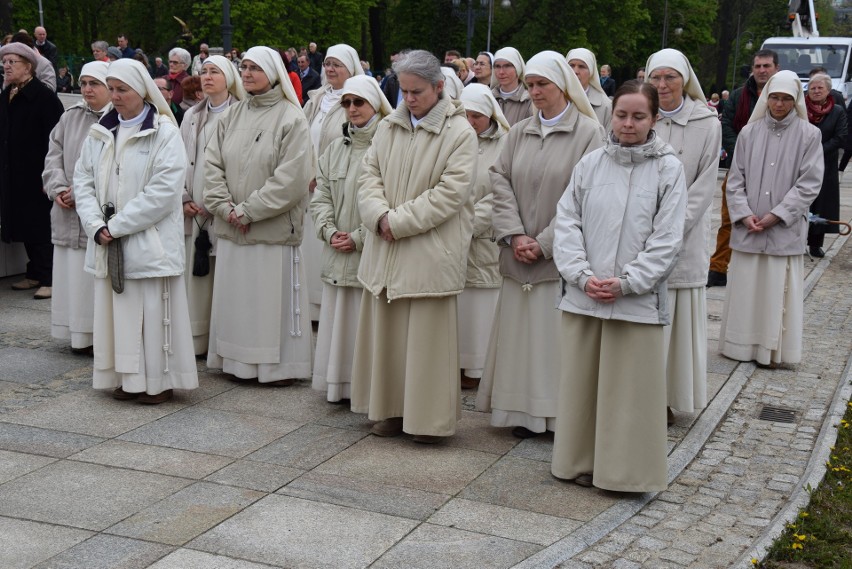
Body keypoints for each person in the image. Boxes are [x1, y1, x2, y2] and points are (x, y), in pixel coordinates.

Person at [551, 79, 687, 491]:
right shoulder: (590, 165)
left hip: (636, 303)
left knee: (629, 392)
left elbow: (667, 238)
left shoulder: (669, 168)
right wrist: (582, 275)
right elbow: (567, 222)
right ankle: (577, 462)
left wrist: (628, 283)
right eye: (622, 115)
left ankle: (623, 472)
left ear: (654, 119)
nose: (628, 124)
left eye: (639, 116)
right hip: (585, 295)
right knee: (582, 387)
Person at [475, 51, 605, 439]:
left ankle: (553, 413)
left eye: (541, 84)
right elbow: (499, 180)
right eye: (530, 85)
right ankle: (518, 409)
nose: (534, 92)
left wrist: (544, 242)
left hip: (559, 256)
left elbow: (583, 195)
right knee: (519, 336)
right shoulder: (519, 132)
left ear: (562, 85)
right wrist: (515, 234)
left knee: (552, 339)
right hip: (517, 250)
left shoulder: (588, 133)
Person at [352, 49, 477, 443]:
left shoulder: (460, 133)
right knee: (387, 335)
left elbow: (449, 195)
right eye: (403, 91)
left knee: (427, 341)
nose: (409, 99)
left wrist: (397, 222)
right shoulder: (389, 126)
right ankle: (387, 409)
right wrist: (377, 216)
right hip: (386, 247)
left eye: (417, 92)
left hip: (429, 249)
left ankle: (428, 421)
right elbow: (367, 175)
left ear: (439, 87)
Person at [73, 58, 198, 404]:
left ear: (141, 90)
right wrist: (95, 224)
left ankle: (156, 382)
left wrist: (118, 225)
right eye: (110, 89)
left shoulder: (164, 132)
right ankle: (124, 378)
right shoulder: (100, 131)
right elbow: (82, 181)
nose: (114, 96)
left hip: (148, 241)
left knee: (151, 316)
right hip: (106, 237)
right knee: (118, 317)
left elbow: (164, 191)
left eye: (122, 89)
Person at [204, 46, 313, 386]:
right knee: (237, 300)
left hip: (270, 228)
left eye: (255, 68)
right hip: (233, 224)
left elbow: (291, 179)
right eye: (244, 67)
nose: (247, 73)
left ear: (274, 73)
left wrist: (250, 210)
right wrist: (225, 207)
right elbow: (212, 166)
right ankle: (235, 360)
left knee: (268, 303)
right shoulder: (231, 116)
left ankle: (274, 369)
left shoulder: (291, 118)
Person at [719, 70, 823, 367]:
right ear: (766, 98)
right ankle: (738, 345)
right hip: (749, 228)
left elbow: (809, 183)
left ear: (795, 101)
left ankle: (772, 349)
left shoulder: (809, 135)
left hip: (782, 231)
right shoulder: (749, 134)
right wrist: (744, 213)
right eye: (774, 97)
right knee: (745, 291)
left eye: (786, 99)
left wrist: (777, 215)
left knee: (777, 293)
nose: (779, 104)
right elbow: (735, 179)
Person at [645, 48, 722, 424]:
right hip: (637, 237)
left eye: (670, 77)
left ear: (684, 80)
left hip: (683, 240)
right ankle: (637, 391)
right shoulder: (641, 116)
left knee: (675, 323)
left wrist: (668, 230)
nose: (662, 85)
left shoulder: (707, 123)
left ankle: (667, 397)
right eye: (655, 77)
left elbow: (705, 185)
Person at [311, 75, 392, 403]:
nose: (352, 108)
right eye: (346, 103)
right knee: (338, 321)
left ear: (375, 104)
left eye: (359, 102)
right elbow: (321, 194)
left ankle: (364, 389)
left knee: (365, 325)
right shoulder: (335, 147)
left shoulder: (388, 145)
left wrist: (358, 237)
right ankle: (338, 384)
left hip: (369, 250)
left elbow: (390, 198)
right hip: (336, 249)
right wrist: (328, 231)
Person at [42, 61, 110, 354]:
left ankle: (98, 335)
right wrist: (57, 188)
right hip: (65, 210)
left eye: (94, 83)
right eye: (83, 83)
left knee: (92, 280)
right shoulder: (70, 117)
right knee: (72, 278)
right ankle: (76, 333)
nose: (86, 89)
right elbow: (52, 155)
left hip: (95, 213)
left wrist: (80, 193)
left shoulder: (116, 119)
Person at [180, 56, 245, 356]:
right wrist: (184, 196)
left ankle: (223, 340)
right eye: (203, 72)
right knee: (198, 276)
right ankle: (197, 338)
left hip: (226, 207)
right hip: (194, 208)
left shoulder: (241, 113)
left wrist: (221, 203)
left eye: (214, 72)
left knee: (225, 275)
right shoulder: (191, 115)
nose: (206, 77)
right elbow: (180, 159)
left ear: (229, 78)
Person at [303, 44, 365, 320]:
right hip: (309, 184)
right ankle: (310, 305)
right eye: (327, 63)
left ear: (350, 69)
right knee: (311, 242)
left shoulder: (357, 100)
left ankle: (325, 308)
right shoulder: (316, 99)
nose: (329, 69)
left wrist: (322, 175)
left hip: (336, 181)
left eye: (336, 64)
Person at [708, 50, 779, 287]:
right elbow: (726, 125)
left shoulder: (784, 97)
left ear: (775, 68)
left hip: (774, 171)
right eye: (758, 66)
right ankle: (718, 268)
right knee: (730, 219)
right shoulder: (739, 96)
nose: (762, 70)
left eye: (766, 66)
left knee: (768, 219)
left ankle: (761, 270)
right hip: (739, 168)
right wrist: (743, 153)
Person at [0, 42, 64, 300]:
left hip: (37, 173)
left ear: (28, 67)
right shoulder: (7, 94)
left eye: (11, 62)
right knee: (23, 224)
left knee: (40, 226)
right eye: (4, 62)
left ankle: (49, 277)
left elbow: (56, 139)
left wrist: (50, 174)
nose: (6, 66)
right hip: (13, 172)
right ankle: (34, 273)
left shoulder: (44, 96)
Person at [458, 83, 508, 389]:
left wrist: (467, 222)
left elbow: (502, 191)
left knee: (481, 306)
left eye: (476, 116)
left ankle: (478, 367)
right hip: (454, 235)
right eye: (465, 115)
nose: (470, 121)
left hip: (484, 237)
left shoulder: (506, 142)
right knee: (460, 305)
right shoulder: (456, 139)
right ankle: (458, 363)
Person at [804, 72, 847, 257]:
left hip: (825, 164)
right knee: (801, 201)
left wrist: (818, 150)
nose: (816, 91)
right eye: (812, 88)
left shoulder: (837, 111)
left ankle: (815, 243)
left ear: (828, 90)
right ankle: (797, 239)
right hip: (801, 162)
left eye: (820, 87)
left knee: (821, 204)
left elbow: (841, 136)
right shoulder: (800, 107)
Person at [567, 47, 612, 130]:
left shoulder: (606, 106)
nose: (575, 71)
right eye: (571, 65)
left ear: (591, 72)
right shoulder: (555, 100)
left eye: (581, 66)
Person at [491, 47, 532, 126]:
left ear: (517, 68)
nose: (501, 72)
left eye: (507, 66)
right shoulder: (488, 98)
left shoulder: (529, 101)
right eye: (497, 66)